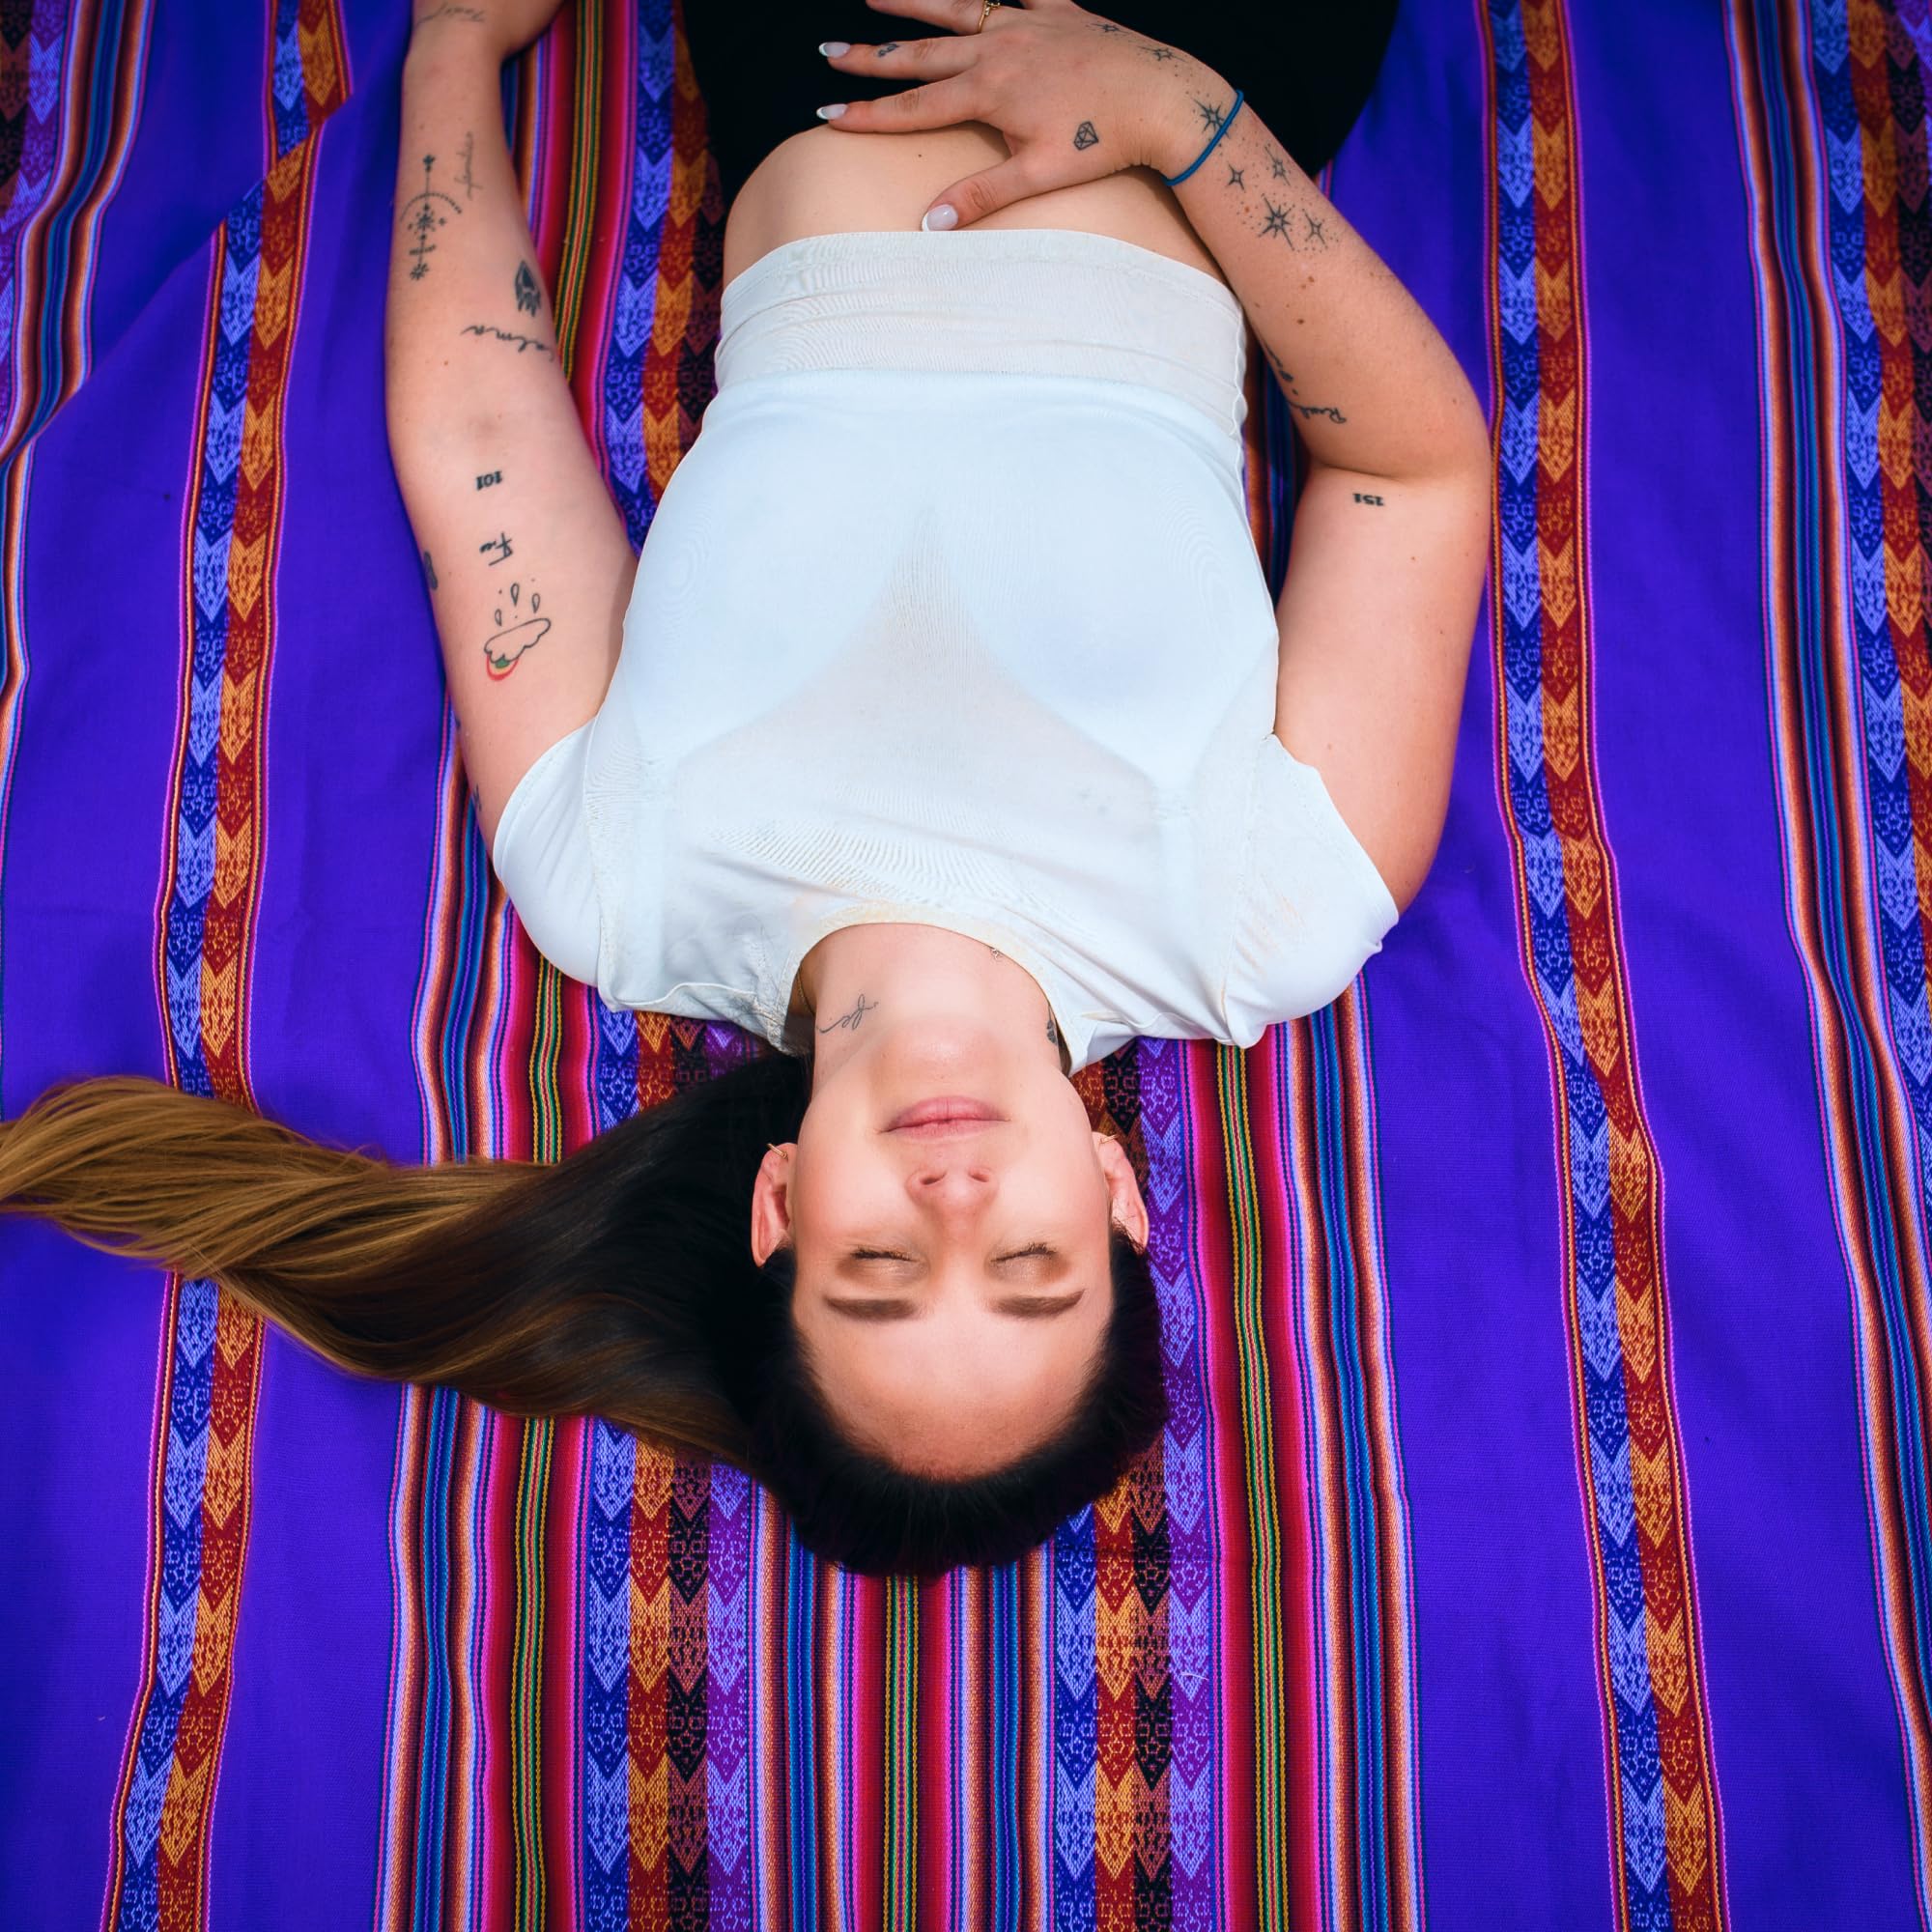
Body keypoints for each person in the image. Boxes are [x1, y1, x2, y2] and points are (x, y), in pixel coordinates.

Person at [0, 0, 1487, 1577]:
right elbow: (1411, 469)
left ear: (781, 1209)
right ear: (1118, 1197)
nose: (957, 1195)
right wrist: (1181, 112)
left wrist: (453, 54)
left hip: (840, 50)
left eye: (884, 1267)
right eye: (1031, 1261)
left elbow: (479, 431)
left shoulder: (618, 885)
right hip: (1209, 58)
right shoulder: (1268, 914)